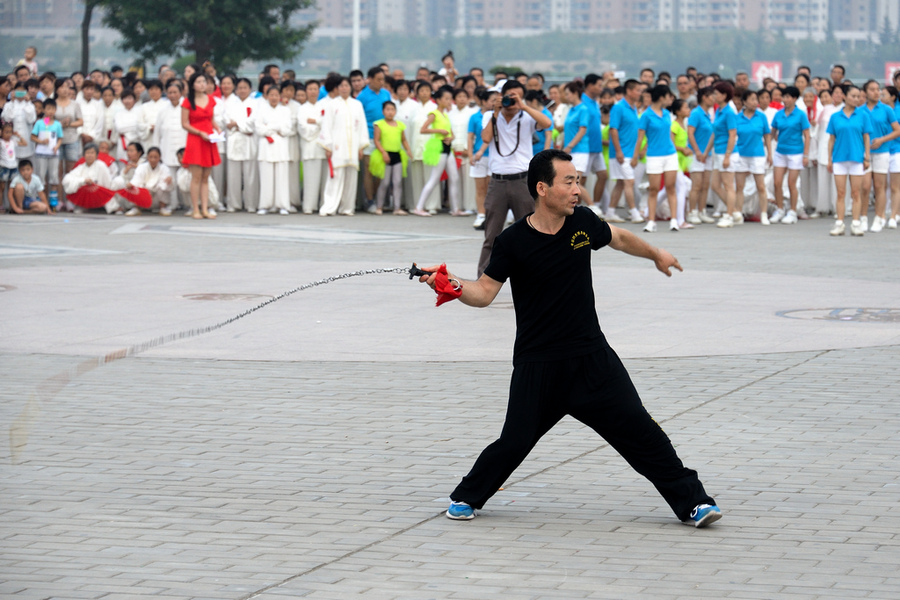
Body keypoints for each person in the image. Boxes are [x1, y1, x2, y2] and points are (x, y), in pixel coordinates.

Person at [417, 149, 721, 528]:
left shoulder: (582, 224)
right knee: (514, 442)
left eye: (578, 181)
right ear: (543, 189)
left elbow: (621, 237)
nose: (578, 189)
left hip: (592, 358)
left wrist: (656, 253)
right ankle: (466, 496)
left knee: (643, 433)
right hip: (538, 364)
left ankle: (694, 503)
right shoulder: (513, 242)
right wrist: (451, 284)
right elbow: (484, 292)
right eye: (569, 181)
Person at [477, 80, 552, 276]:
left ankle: (533, 275)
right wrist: (495, 112)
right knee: (491, 234)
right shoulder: (490, 116)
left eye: (516, 96)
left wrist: (523, 106)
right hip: (497, 181)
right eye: (509, 95)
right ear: (501, 95)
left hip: (522, 180)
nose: (512, 100)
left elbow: (547, 123)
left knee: (529, 231)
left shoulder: (526, 117)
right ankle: (484, 277)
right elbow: (485, 138)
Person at [317, 76, 369, 216]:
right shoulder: (332, 105)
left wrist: (361, 146)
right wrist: (328, 146)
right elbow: (326, 126)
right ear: (337, 88)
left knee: (351, 178)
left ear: (350, 87)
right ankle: (329, 207)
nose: (344, 88)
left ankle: (347, 207)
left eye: (347, 85)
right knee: (335, 177)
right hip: (337, 146)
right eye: (341, 86)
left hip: (353, 147)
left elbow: (362, 125)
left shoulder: (357, 104)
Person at [826, 85, 871, 236]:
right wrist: (829, 159)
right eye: (853, 96)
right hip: (839, 158)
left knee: (856, 193)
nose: (856, 99)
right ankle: (839, 223)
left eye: (858, 96)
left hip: (857, 158)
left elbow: (866, 137)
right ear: (845, 96)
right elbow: (831, 139)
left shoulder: (863, 115)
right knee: (840, 192)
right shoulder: (835, 116)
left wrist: (867, 157)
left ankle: (856, 223)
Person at [634, 85, 680, 232]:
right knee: (653, 189)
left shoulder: (667, 114)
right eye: (667, 96)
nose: (669, 99)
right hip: (654, 156)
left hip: (670, 154)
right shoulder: (646, 116)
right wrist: (636, 156)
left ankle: (674, 220)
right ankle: (651, 221)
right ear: (661, 97)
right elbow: (640, 138)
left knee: (671, 188)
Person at [413, 85, 462, 217]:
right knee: (434, 178)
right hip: (439, 146)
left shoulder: (445, 115)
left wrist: (450, 137)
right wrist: (439, 131)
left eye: (450, 99)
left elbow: (452, 134)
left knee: (454, 177)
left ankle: (455, 208)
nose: (449, 101)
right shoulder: (434, 114)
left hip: (447, 147)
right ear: (439, 100)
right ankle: (419, 207)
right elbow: (423, 129)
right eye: (446, 99)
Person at [858, 80, 900, 233]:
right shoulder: (860, 110)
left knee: (879, 186)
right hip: (864, 153)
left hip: (882, 151)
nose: (876, 92)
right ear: (866, 92)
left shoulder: (886, 109)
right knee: (864, 187)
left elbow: (897, 130)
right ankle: (862, 218)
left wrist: (882, 139)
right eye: (872, 89)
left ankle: (878, 218)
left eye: (878, 89)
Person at [181, 73, 221, 219]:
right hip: (195, 139)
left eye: (204, 81)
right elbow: (184, 124)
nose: (202, 84)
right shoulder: (187, 101)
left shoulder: (211, 100)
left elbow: (211, 119)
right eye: (199, 82)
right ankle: (195, 209)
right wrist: (199, 132)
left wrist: (217, 128)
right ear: (193, 85)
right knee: (196, 177)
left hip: (209, 138)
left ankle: (205, 209)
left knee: (206, 177)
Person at [770, 86, 811, 225]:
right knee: (777, 183)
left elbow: (807, 135)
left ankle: (793, 211)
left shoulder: (800, 115)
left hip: (796, 153)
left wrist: (806, 155)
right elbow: (772, 132)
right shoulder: (778, 114)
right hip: (780, 152)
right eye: (784, 97)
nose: (785, 100)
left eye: (788, 97)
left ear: (795, 99)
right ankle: (780, 209)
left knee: (791, 184)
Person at [733, 90, 772, 224]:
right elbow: (732, 136)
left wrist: (770, 154)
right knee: (739, 186)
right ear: (744, 102)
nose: (755, 102)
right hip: (741, 155)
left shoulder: (761, 117)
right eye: (752, 99)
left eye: (756, 99)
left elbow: (767, 135)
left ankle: (764, 214)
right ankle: (738, 213)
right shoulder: (737, 118)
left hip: (757, 155)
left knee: (761, 186)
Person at [355, 67, 392, 207]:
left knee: (381, 171)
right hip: (368, 136)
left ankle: (378, 198)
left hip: (384, 137)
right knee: (369, 170)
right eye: (378, 79)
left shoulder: (386, 94)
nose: (381, 82)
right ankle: (370, 201)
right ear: (369, 79)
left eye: (383, 79)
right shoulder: (362, 97)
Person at [608, 79, 643, 224]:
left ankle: (610, 211)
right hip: (621, 152)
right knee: (629, 181)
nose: (640, 93)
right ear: (629, 91)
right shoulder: (618, 107)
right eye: (637, 90)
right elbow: (613, 129)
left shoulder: (633, 107)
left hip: (629, 151)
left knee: (621, 183)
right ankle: (634, 213)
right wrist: (618, 151)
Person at [224, 77, 259, 213]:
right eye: (240, 88)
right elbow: (227, 122)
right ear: (236, 90)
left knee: (250, 176)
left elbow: (253, 123)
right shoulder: (231, 104)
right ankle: (234, 204)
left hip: (249, 143)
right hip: (234, 141)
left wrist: (238, 124)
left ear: (250, 89)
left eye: (245, 88)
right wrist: (241, 126)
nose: (242, 90)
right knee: (233, 177)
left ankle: (251, 204)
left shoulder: (255, 104)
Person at [371, 100, 411, 215]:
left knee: (397, 182)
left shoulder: (400, 125)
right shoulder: (379, 124)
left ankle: (397, 208)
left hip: (397, 154)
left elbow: (403, 140)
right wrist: (383, 152)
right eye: (387, 110)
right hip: (385, 154)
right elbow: (376, 140)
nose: (390, 112)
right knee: (385, 182)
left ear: (395, 111)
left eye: (392, 110)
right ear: (383, 111)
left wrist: (408, 150)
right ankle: (379, 206)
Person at [711, 82, 740, 228]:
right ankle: (734, 211)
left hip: (727, 153)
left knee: (729, 185)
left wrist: (728, 155)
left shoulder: (729, 112)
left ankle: (729, 216)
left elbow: (732, 134)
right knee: (715, 185)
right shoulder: (719, 111)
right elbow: (715, 133)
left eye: (716, 93)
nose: (714, 96)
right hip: (718, 152)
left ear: (724, 95)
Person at [686, 87, 716, 224]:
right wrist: (697, 151)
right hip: (696, 154)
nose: (714, 99)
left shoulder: (708, 114)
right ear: (704, 97)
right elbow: (690, 132)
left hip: (707, 154)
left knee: (705, 185)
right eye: (711, 96)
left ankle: (701, 210)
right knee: (696, 185)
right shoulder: (696, 113)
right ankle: (692, 211)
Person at [468, 89, 497, 230]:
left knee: (491, 188)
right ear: (484, 101)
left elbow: (490, 137)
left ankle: (491, 214)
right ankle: (481, 214)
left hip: (491, 156)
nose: (494, 103)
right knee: (480, 188)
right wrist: (470, 154)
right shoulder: (474, 117)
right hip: (478, 157)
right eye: (492, 100)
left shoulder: (498, 116)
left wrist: (481, 151)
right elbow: (470, 136)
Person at [30, 98, 63, 207]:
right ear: (44, 110)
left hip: (53, 154)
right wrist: (41, 141)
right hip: (41, 153)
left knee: (54, 175)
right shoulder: (39, 123)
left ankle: (53, 199)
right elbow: (32, 137)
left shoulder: (57, 124)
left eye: (53, 109)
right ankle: (40, 199)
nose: (51, 111)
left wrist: (57, 147)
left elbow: (60, 138)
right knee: (41, 175)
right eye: (48, 108)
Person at [884, 86, 900, 229]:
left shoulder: (898, 110)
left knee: (895, 186)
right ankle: (883, 213)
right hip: (882, 151)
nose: (881, 96)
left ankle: (894, 215)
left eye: (884, 94)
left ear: (893, 97)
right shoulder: (880, 110)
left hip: (897, 150)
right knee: (882, 185)